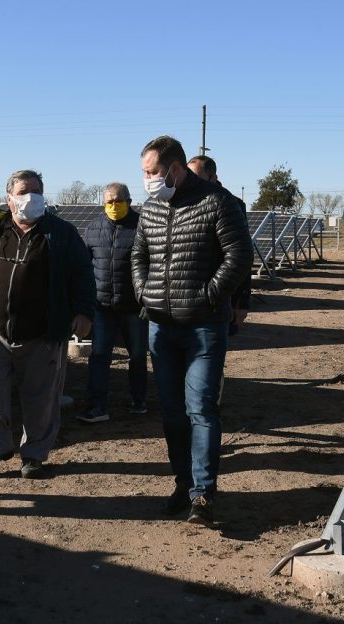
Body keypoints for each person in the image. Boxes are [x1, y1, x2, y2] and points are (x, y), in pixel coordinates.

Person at [132, 137, 252, 526]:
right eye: (145, 173)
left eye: (153, 172)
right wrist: (143, 292)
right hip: (160, 328)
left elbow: (239, 256)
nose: (148, 180)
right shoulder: (150, 208)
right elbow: (139, 256)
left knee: (200, 409)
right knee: (171, 413)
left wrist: (209, 295)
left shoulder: (217, 202)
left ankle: (203, 494)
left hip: (203, 327)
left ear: (175, 168)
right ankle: (182, 484)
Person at [0, 170, 95, 479]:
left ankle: (34, 455)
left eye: (37, 191)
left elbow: (83, 275)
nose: (32, 197)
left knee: (41, 397)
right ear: (9, 198)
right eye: (24, 191)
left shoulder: (62, 233)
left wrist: (84, 313)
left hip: (42, 331)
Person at [76, 182, 148, 424]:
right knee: (99, 355)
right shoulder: (94, 228)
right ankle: (97, 406)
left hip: (134, 306)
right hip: (103, 306)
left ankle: (139, 400)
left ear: (128, 201)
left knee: (137, 355)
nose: (113, 206)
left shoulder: (143, 226)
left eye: (118, 201)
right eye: (109, 201)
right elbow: (84, 266)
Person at [188, 155, 251, 334]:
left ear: (212, 177)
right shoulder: (183, 204)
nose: (191, 183)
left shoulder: (232, 205)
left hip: (221, 296)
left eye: (196, 177)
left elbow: (241, 256)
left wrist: (241, 302)